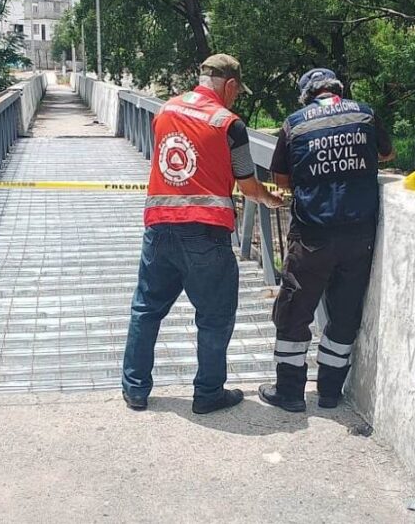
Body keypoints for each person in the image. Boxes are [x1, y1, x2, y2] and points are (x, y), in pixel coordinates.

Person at [122, 54, 284, 414]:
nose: (236, 97)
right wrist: (270, 199)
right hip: (206, 233)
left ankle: (135, 389)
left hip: (159, 226)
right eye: (237, 91)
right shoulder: (229, 124)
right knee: (214, 316)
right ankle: (208, 393)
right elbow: (248, 185)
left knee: (146, 309)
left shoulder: (165, 111)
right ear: (230, 85)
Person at [258, 68, 395, 412]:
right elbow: (387, 154)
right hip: (359, 234)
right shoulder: (364, 114)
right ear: (338, 90)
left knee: (294, 311)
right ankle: (330, 392)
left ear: (307, 96)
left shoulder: (295, 123)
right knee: (345, 313)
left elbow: (281, 178)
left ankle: (290, 392)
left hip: (312, 234)